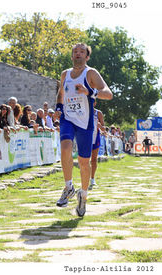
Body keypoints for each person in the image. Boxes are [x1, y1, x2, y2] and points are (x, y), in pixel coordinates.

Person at [55, 43, 113, 217]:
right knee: (65, 148)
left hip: (85, 122)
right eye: (75, 52)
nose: (78, 54)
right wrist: (58, 107)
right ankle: (68, 186)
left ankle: (83, 195)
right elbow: (61, 93)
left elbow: (108, 93)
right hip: (68, 118)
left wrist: (90, 92)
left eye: (82, 52)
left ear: (87, 57)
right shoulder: (65, 74)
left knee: (83, 162)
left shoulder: (91, 73)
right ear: (72, 56)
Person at [89, 101, 105, 190]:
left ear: (95, 103)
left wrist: (100, 126)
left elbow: (104, 128)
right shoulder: (84, 112)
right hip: (86, 137)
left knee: (94, 159)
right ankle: (85, 178)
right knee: (85, 159)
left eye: (92, 102)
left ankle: (92, 179)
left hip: (96, 137)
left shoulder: (98, 113)